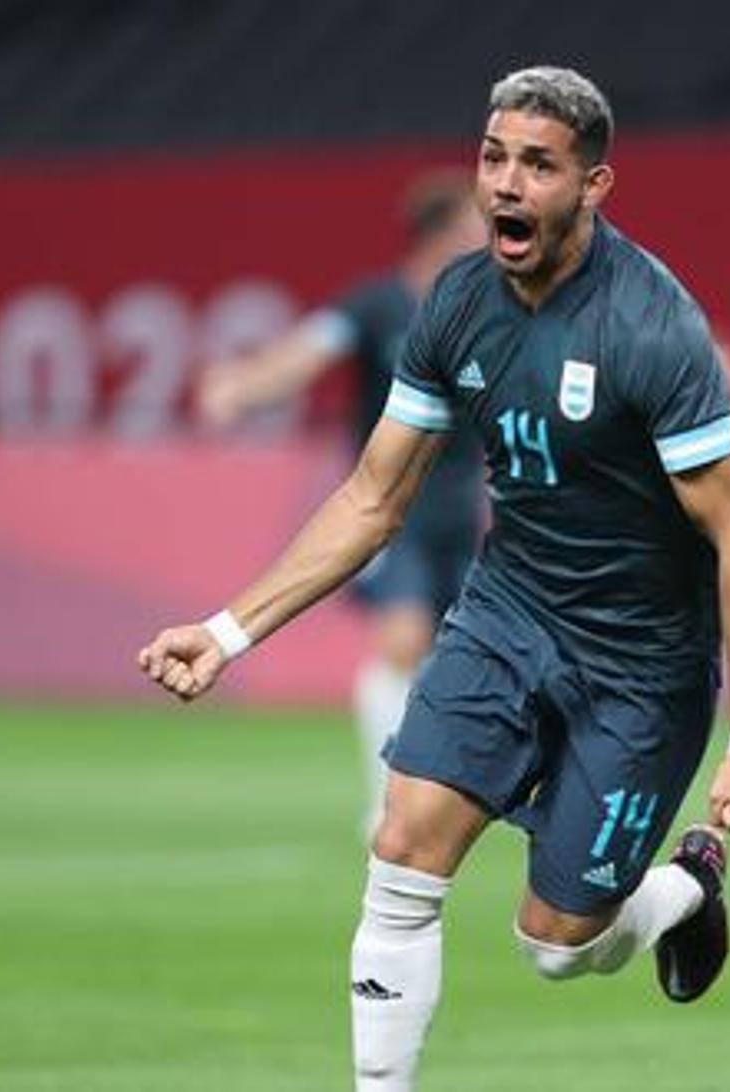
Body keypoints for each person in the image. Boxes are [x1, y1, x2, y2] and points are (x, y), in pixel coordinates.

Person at [138, 66, 730, 1090]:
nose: (507, 186)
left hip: (640, 661)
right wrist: (226, 632)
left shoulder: (652, 328)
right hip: (508, 615)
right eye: (494, 159)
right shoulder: (458, 304)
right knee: (402, 850)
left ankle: (685, 892)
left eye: (539, 165)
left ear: (594, 186)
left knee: (559, 942)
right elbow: (372, 497)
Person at [198, 171, 487, 828]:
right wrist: (244, 388)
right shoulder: (375, 305)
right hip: (393, 512)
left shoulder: (483, 307)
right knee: (403, 640)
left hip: (463, 514)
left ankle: (443, 789)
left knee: (462, 658)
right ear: (443, 233)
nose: (491, 235)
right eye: (477, 224)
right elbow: (306, 353)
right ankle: (387, 800)